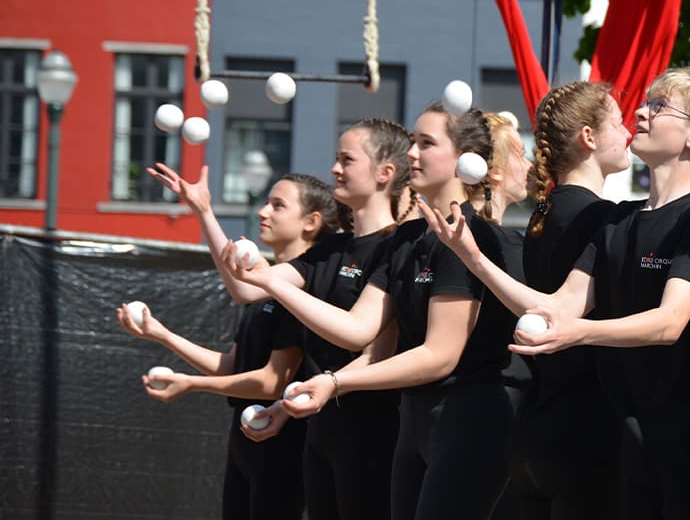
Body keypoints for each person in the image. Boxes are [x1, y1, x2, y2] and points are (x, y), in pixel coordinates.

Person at [420, 67, 690, 519]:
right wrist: (474, 257)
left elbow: (669, 323)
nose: (640, 112)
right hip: (627, 439)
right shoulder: (617, 221)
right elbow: (555, 308)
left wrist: (578, 332)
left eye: (658, 106)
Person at [229, 104, 533, 519]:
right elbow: (359, 331)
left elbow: (438, 356)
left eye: (426, 144)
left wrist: (334, 383)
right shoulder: (406, 238)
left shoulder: (470, 236)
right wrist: (269, 283)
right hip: (416, 419)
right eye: (412, 142)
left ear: (466, 159)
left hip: (471, 418)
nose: (411, 154)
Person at [158, 117, 413, 520]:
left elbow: (357, 337)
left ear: (386, 173)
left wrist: (271, 283)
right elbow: (247, 289)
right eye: (336, 159)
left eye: (347, 160)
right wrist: (204, 213)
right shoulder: (332, 249)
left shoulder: (400, 246)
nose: (334, 169)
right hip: (319, 430)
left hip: (372, 431)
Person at [117, 172, 341, 520]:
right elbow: (233, 366)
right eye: (266, 202)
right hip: (244, 441)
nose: (263, 212)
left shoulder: (303, 294)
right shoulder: (264, 289)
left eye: (278, 205)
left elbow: (272, 382)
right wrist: (162, 334)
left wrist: (191, 384)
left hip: (281, 446)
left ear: (311, 222)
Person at [500, 81, 632, 520]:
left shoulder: (542, 213)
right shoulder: (605, 219)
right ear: (589, 137)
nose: (629, 131)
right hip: (586, 434)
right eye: (617, 121)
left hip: (534, 430)